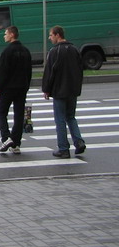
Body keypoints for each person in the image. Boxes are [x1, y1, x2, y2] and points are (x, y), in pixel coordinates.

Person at [41, 25, 86, 158]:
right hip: (73, 90)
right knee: (71, 117)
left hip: (59, 90)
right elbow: (80, 69)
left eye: (51, 35)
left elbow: (50, 72)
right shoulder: (74, 49)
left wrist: (46, 89)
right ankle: (79, 141)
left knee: (60, 119)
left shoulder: (55, 51)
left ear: (57, 35)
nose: (49, 38)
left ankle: (63, 148)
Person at [0, 25, 32, 154]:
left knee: (1, 113)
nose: (4, 36)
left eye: (6, 34)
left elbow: (3, 71)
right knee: (19, 115)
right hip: (22, 87)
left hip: (8, 88)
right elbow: (29, 71)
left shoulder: (7, 51)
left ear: (12, 35)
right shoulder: (25, 51)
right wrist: (26, 86)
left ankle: (6, 138)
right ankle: (16, 143)